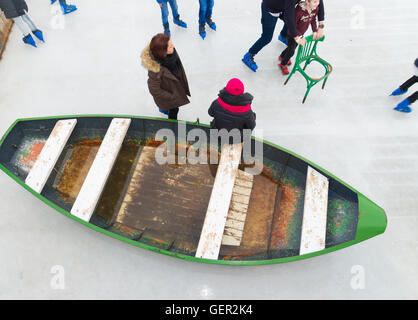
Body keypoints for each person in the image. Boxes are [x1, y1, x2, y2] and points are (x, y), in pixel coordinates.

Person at [242, 0, 325, 72]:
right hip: (271, 8)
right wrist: (297, 37)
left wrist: (320, 26)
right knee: (266, 38)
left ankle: (283, 36)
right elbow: (289, 18)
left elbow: (319, 2)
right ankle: (249, 55)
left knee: (293, 19)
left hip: (285, 5)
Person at [141, 33, 191, 120]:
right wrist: (171, 96)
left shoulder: (171, 53)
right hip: (170, 96)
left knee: (174, 108)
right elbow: (154, 90)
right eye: (170, 46)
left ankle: (165, 109)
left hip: (174, 85)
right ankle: (172, 124)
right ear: (162, 51)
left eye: (172, 43)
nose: (173, 46)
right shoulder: (155, 70)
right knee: (174, 110)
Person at [278, 0, 320, 75]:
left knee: (291, 48)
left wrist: (314, 31)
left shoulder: (315, 9)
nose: (317, 4)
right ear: (307, 1)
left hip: (301, 34)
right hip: (292, 34)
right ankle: (283, 64)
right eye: (315, 2)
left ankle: (282, 56)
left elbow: (313, 20)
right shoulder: (298, 11)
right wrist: (299, 36)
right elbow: (293, 26)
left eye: (318, 1)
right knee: (291, 51)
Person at [208, 78, 256, 144]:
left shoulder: (217, 102)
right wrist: (253, 116)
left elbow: (210, 113)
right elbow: (251, 125)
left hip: (217, 134)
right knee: (249, 126)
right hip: (236, 139)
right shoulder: (247, 111)